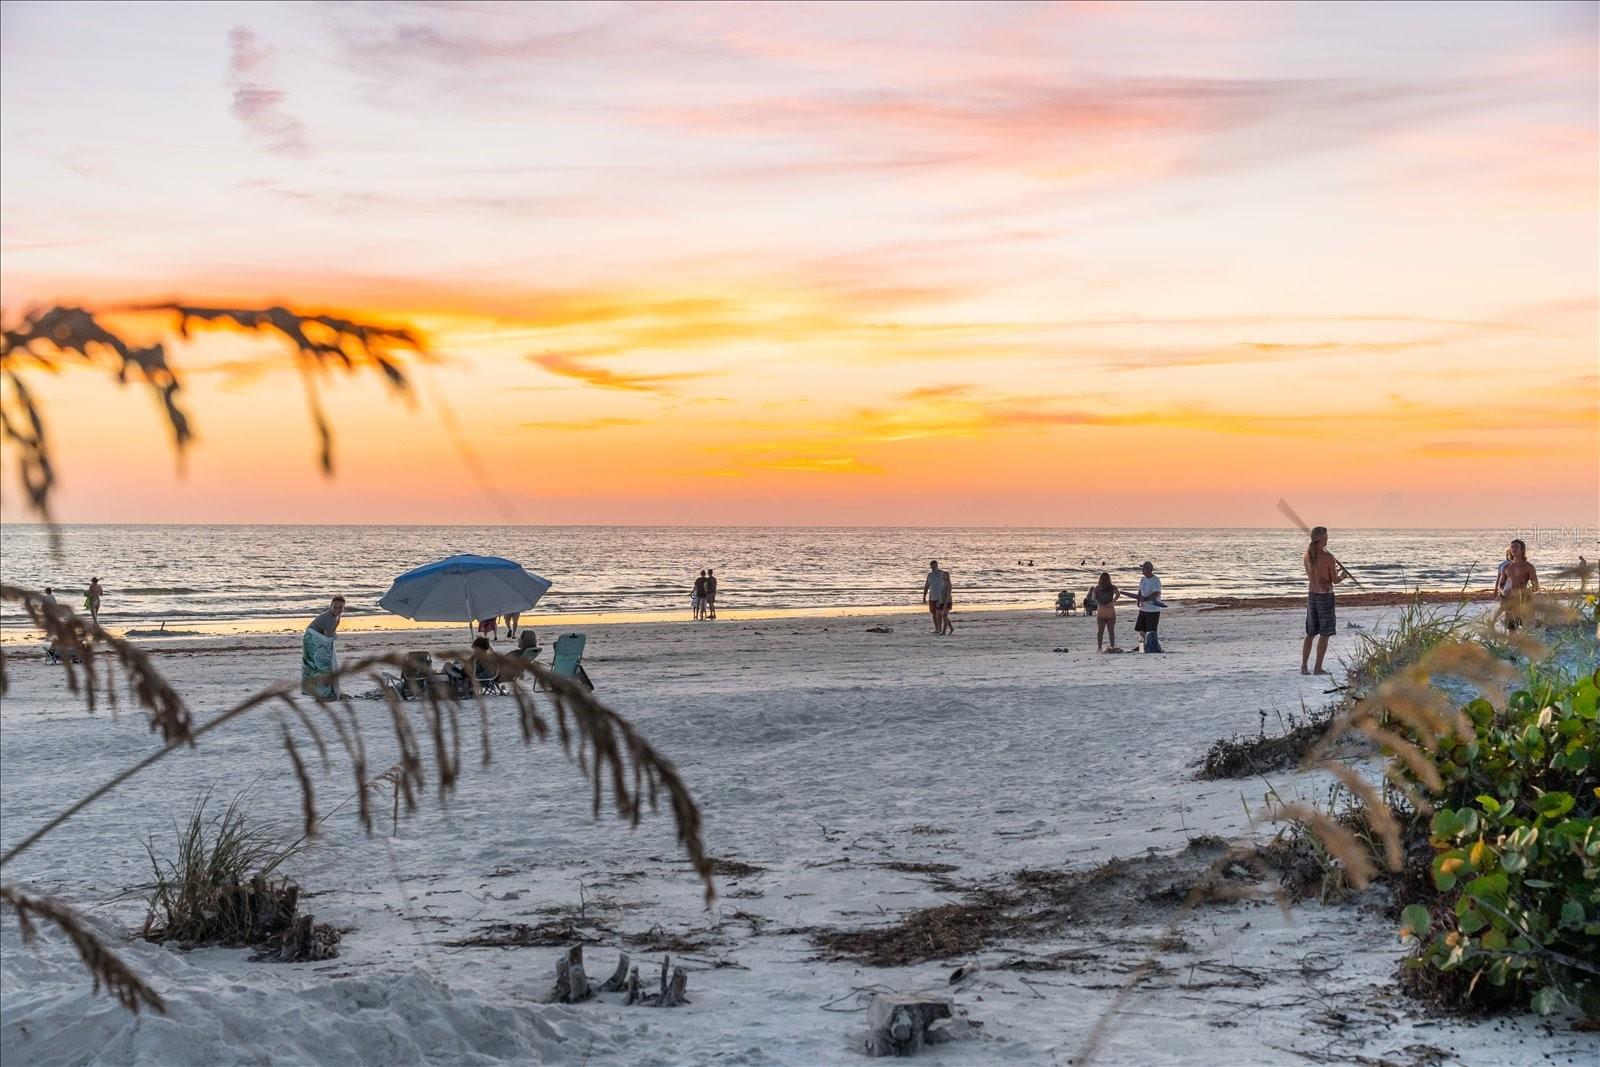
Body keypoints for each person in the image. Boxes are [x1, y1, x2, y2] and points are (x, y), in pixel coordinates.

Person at [1300, 527, 1346, 676]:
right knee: (1325, 634)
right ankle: (1318, 668)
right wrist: (1343, 575)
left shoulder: (1307, 556)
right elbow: (1334, 580)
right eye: (1326, 537)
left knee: (1310, 633)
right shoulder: (1328, 557)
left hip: (1312, 596)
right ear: (1321, 539)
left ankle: (1304, 667)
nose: (1328, 539)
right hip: (1325, 597)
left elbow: (1314, 575)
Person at [302, 595, 345, 698]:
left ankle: (318, 689)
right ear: (330, 606)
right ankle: (322, 691)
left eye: (340, 608)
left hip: (316, 635)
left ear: (344, 608)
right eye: (335, 607)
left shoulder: (336, 616)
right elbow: (326, 637)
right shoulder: (329, 618)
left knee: (318, 665)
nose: (337, 610)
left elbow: (331, 632)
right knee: (320, 665)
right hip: (312, 637)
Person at [1499, 539, 1539, 631]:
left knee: (1526, 627)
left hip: (1524, 599)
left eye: (1516, 547)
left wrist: (1520, 592)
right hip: (1510, 600)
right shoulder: (1506, 567)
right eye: (1512, 547)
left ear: (1522, 549)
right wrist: (1503, 591)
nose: (1514, 549)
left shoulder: (1529, 566)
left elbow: (1536, 587)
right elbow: (1501, 585)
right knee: (1511, 628)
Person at [1133, 561, 1163, 652]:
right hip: (1143, 609)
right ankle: (1141, 646)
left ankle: (1151, 646)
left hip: (1153, 610)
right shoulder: (1142, 579)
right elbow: (1140, 590)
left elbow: (1156, 593)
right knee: (1141, 629)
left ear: (1149, 570)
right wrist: (1138, 600)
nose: (1142, 570)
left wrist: (1146, 599)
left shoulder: (1155, 580)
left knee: (1151, 630)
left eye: (1143, 569)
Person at [922, 560, 954, 636]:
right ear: (930, 566)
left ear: (937, 565)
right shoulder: (929, 575)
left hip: (941, 597)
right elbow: (927, 585)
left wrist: (946, 600)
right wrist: (924, 596)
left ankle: (946, 628)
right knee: (934, 613)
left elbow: (947, 586)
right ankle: (938, 629)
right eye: (932, 565)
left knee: (942, 615)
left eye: (935, 565)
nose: (933, 567)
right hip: (932, 596)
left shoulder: (942, 573)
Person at [1093, 572, 1121, 651]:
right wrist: (1112, 602)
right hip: (1109, 610)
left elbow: (1094, 598)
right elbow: (1118, 594)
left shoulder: (1097, 588)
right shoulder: (1112, 587)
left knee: (1101, 631)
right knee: (1110, 631)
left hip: (1102, 610)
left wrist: (1100, 603)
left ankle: (1100, 647)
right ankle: (1111, 647)